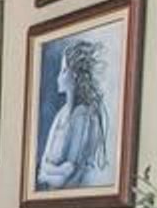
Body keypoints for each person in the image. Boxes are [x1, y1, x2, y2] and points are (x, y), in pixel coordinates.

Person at [36, 40, 111, 190]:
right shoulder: (61, 114)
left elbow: (67, 175)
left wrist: (47, 174)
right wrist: (50, 172)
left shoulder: (83, 115)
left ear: (75, 75)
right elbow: (42, 167)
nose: (59, 77)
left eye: (64, 71)